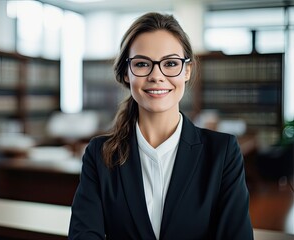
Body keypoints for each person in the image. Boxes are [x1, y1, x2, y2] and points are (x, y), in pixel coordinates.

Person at [68, 12, 253, 240]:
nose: (157, 76)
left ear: (187, 70)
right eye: (143, 64)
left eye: (171, 63)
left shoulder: (223, 152)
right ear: (127, 73)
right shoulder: (99, 154)